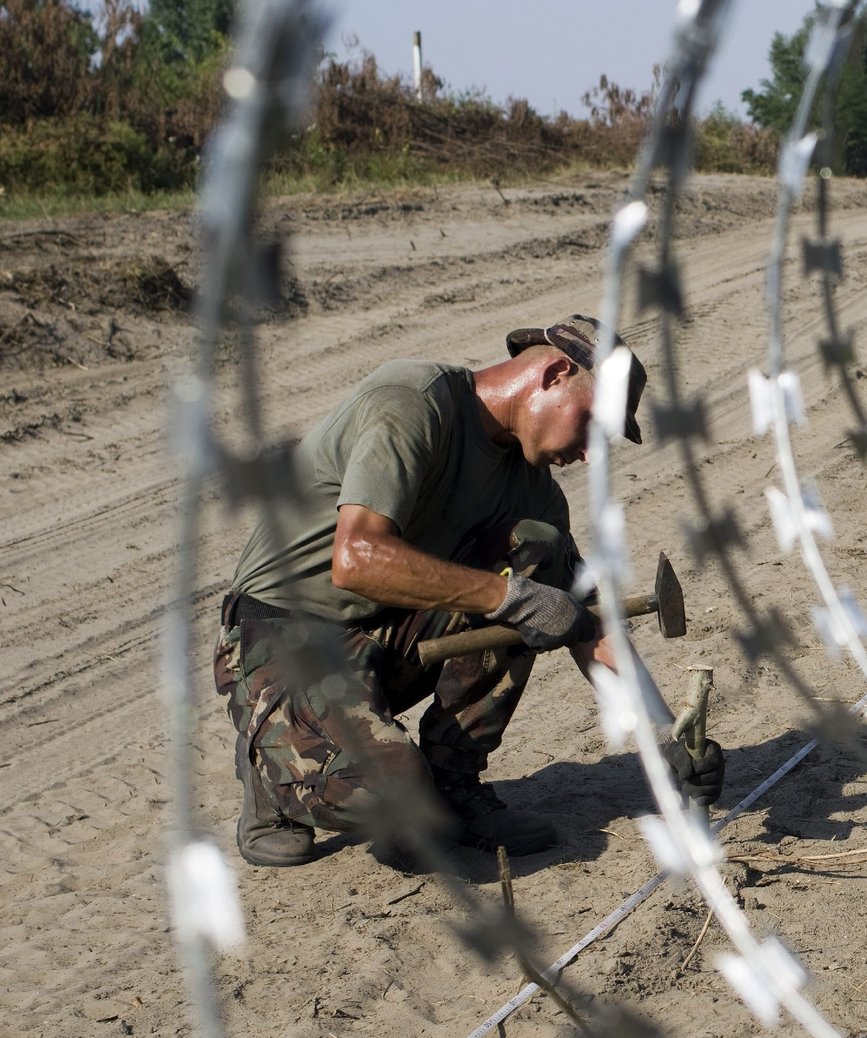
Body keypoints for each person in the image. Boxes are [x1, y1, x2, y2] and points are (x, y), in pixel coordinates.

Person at [213, 315, 723, 870]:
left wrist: (664, 733)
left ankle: (453, 781)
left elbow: (585, 619)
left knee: (541, 553)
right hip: (281, 634)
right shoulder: (413, 401)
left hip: (386, 633)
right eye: (593, 426)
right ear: (554, 374)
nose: (589, 454)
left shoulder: (533, 490)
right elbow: (356, 558)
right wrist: (511, 599)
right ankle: (271, 770)